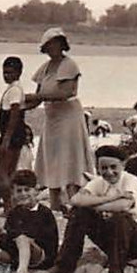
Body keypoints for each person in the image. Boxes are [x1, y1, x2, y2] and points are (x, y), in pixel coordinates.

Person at [47, 145, 137, 273]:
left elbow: (123, 206)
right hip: (112, 238)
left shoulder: (131, 181)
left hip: (136, 238)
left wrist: (94, 205)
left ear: (123, 165)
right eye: (104, 168)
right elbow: (76, 200)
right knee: (80, 213)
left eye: (114, 167)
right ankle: (64, 267)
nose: (109, 172)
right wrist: (112, 197)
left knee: (119, 218)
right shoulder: (98, 182)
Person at [27, 28, 92, 210]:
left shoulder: (69, 65)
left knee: (71, 158)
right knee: (52, 158)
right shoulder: (46, 67)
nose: (53, 47)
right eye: (49, 44)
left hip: (69, 116)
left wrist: (35, 98)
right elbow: (39, 95)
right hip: (52, 116)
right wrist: (20, 106)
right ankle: (55, 204)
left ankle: (77, 204)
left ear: (63, 45)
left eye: (57, 43)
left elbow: (67, 91)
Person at [0, 55, 31, 192]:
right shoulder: (14, 89)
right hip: (13, 133)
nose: (6, 76)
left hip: (12, 134)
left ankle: (8, 204)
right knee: (7, 171)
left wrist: (6, 139)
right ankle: (9, 203)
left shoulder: (15, 90)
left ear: (19, 73)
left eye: (10, 73)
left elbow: (14, 114)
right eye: (4, 72)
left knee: (3, 171)